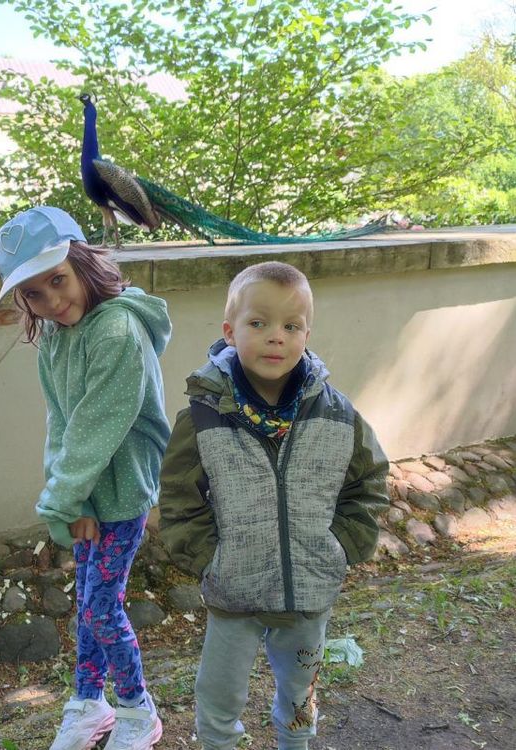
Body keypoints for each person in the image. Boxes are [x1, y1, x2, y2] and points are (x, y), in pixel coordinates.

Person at [158, 261, 388, 750]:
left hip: (309, 590)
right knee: (218, 695)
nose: (275, 337)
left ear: (307, 334)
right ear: (230, 331)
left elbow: (368, 482)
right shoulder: (203, 416)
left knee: (300, 692)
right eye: (258, 322)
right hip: (234, 593)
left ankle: (296, 744)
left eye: (291, 326)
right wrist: (210, 558)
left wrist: (339, 547)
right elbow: (179, 497)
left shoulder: (338, 413)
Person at [0, 206, 169, 750]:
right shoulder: (55, 336)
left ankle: (138, 710)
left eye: (58, 280)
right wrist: (72, 501)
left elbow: (96, 430)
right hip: (88, 494)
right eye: (33, 293)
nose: (51, 301)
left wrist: (61, 501)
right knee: (91, 604)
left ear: (83, 263)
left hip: (123, 489)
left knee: (100, 607)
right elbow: (62, 423)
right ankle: (89, 703)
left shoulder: (117, 329)